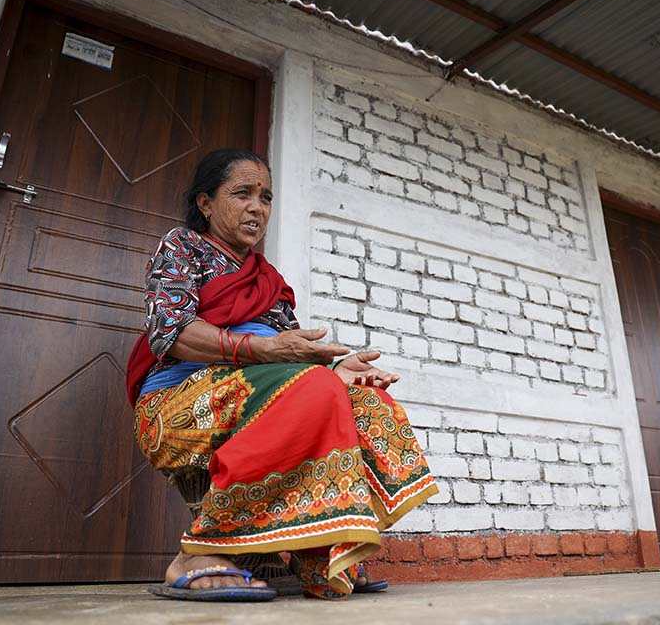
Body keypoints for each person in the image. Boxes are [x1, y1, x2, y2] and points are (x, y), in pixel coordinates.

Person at [126, 148, 438, 601]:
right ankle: (200, 550)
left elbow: (294, 362)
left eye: (266, 197)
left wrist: (336, 370)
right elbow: (171, 332)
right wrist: (267, 350)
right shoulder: (183, 247)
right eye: (243, 193)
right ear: (206, 204)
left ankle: (316, 546)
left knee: (370, 405)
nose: (257, 207)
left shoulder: (267, 278)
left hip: (254, 391)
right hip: (176, 404)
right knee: (312, 387)